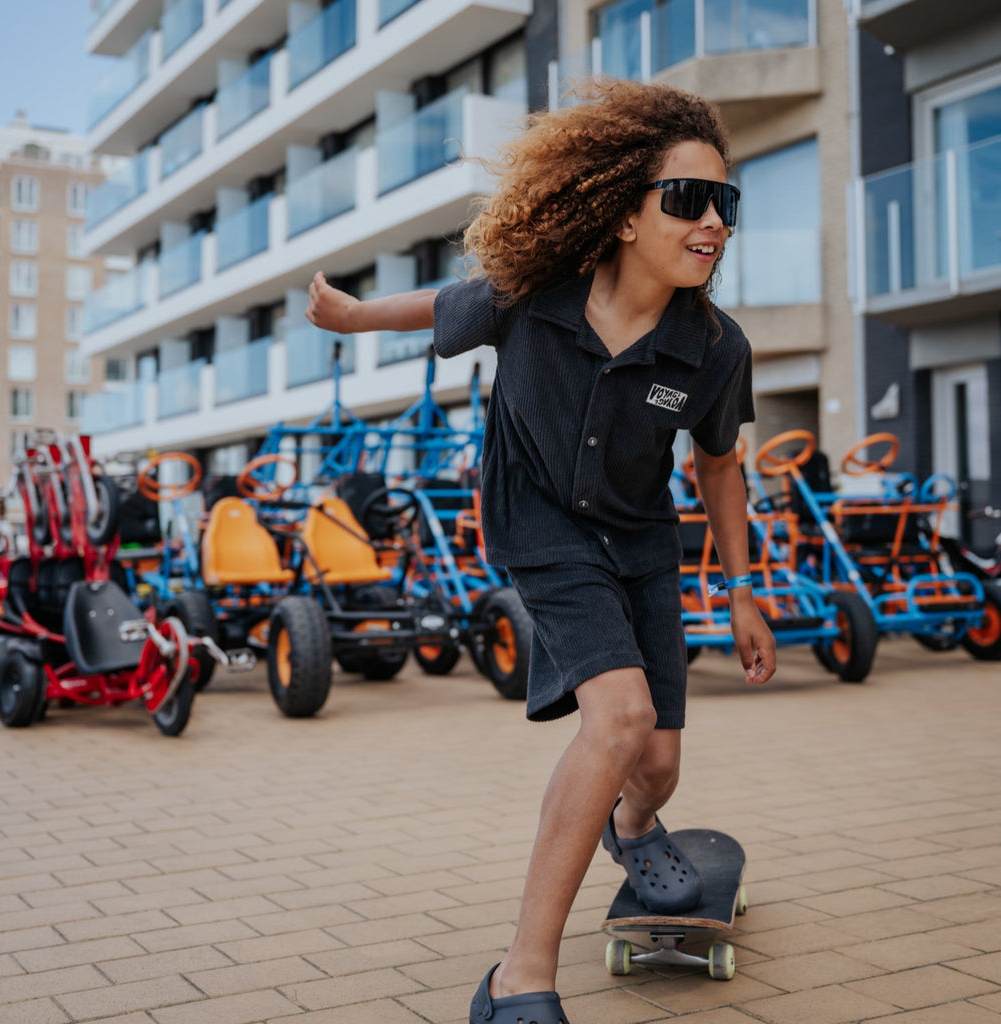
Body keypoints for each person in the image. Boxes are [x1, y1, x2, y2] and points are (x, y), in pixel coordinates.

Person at [307, 78, 776, 1024]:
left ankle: (632, 826)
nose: (712, 222)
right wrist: (353, 319)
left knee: (657, 764)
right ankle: (519, 977)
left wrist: (741, 589)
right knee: (618, 718)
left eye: (725, 202)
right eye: (686, 200)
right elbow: (441, 302)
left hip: (644, 543)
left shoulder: (715, 348)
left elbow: (720, 467)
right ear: (620, 213)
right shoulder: (531, 297)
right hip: (542, 529)